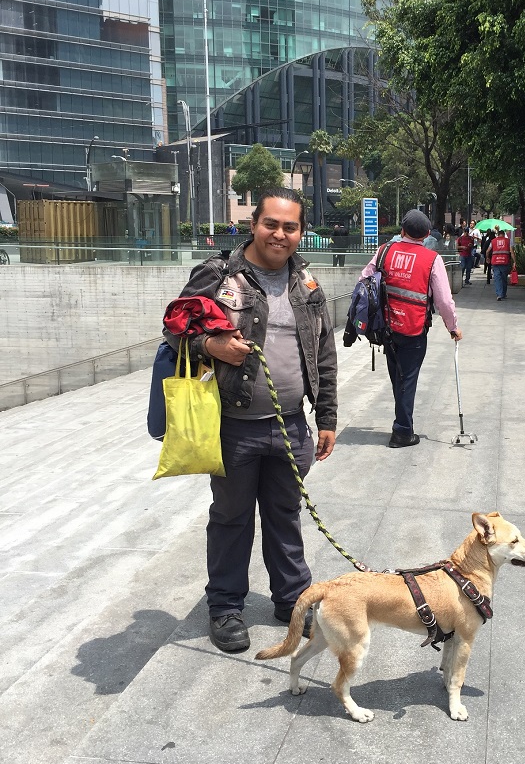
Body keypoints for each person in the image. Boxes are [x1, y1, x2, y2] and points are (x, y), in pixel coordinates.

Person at [163, 187, 337, 653]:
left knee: (285, 515)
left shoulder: (308, 285)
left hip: (290, 427)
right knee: (231, 518)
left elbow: (323, 355)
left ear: (301, 231)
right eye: (271, 224)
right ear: (253, 224)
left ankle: (292, 600)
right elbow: (174, 330)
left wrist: (327, 418)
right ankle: (224, 606)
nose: (280, 234)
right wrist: (210, 346)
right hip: (233, 427)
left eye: (290, 226)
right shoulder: (219, 276)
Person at [357, 209, 462, 447]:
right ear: (426, 235)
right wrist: (453, 327)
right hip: (413, 330)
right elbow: (444, 301)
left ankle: (402, 423)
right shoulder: (432, 259)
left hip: (387, 329)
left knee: (398, 377)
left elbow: (364, 281)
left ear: (402, 230)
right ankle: (402, 431)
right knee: (407, 379)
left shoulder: (384, 251)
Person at [489, 229, 516, 301]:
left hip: (495, 262)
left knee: (497, 279)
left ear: (498, 234)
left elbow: (487, 250)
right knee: (504, 278)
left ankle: (499, 294)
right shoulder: (508, 241)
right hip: (505, 261)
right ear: (504, 234)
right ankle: (503, 294)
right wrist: (514, 261)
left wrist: (487, 258)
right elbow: (512, 252)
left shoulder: (493, 241)